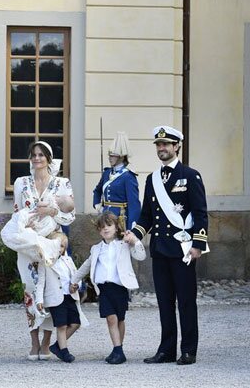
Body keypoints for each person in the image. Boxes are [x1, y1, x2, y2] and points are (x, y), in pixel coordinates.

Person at [123, 125, 208, 366]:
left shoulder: (191, 176)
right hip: (160, 249)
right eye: (159, 145)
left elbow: (201, 213)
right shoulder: (152, 179)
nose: (162, 148)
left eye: (166, 144)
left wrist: (198, 244)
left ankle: (189, 350)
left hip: (183, 250)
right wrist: (135, 234)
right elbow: (147, 216)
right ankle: (167, 349)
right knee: (164, 303)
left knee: (186, 302)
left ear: (176, 146)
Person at [0, 140, 76, 361]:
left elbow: (70, 215)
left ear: (49, 158)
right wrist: (25, 225)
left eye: (41, 155)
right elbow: (16, 212)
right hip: (27, 245)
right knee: (31, 291)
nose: (37, 158)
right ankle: (34, 343)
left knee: (52, 294)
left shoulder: (62, 183)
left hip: (52, 244)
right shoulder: (21, 183)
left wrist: (53, 212)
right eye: (33, 155)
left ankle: (46, 344)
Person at [73, 211, 146, 364]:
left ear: (116, 227)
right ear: (99, 231)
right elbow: (86, 265)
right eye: (102, 227)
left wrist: (135, 241)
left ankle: (118, 349)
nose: (105, 229)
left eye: (109, 225)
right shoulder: (96, 248)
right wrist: (75, 280)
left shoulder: (124, 244)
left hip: (119, 287)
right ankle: (118, 350)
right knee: (111, 318)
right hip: (104, 288)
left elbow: (141, 256)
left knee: (120, 319)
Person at [35, 240, 88, 363]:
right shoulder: (45, 263)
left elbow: (76, 276)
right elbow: (40, 282)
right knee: (61, 325)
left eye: (62, 246)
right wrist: (39, 300)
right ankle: (64, 352)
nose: (59, 249)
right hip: (55, 298)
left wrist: (76, 285)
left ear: (65, 248)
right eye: (56, 246)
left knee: (75, 323)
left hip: (69, 296)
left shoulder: (68, 261)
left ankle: (57, 346)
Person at [93, 132, 140, 232]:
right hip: (105, 217)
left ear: (122, 157)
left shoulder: (128, 176)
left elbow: (134, 204)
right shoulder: (106, 173)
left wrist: (132, 226)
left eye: (113, 155)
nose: (110, 158)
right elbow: (97, 191)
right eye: (109, 155)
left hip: (121, 218)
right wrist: (98, 205)